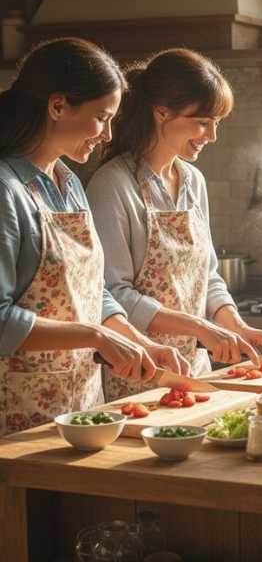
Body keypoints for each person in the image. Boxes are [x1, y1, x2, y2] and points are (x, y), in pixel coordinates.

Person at [0, 38, 188, 435]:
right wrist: (95, 336)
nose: (107, 135)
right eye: (102, 117)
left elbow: (91, 291)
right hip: (17, 420)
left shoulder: (68, 183)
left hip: (83, 410)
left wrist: (139, 342)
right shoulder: (6, 190)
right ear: (57, 106)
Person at [87, 48, 262, 400]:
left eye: (217, 123)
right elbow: (113, 294)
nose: (212, 135)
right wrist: (202, 328)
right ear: (161, 111)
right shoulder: (112, 185)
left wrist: (236, 326)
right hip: (141, 374)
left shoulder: (194, 182)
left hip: (195, 370)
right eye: (203, 122)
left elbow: (208, 276)